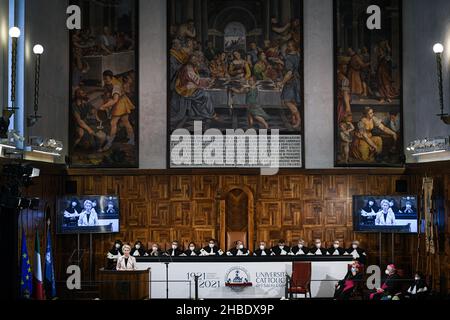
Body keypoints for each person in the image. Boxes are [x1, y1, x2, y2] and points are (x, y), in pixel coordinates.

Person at [100, 70, 136, 152]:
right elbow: (107, 95)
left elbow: (115, 100)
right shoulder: (107, 84)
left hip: (120, 103)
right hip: (119, 102)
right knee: (126, 122)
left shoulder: (116, 85)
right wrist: (106, 101)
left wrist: (104, 106)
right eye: (104, 79)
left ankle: (109, 143)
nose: (105, 80)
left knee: (113, 123)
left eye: (107, 79)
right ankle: (132, 140)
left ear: (111, 78)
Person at [279, 40, 301, 129]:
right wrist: (281, 62)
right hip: (296, 80)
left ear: (292, 47)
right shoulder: (297, 55)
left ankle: (299, 120)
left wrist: (282, 82)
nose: (287, 47)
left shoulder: (288, 57)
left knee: (287, 101)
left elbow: (289, 72)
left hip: (290, 82)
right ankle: (294, 119)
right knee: (293, 101)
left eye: (289, 46)